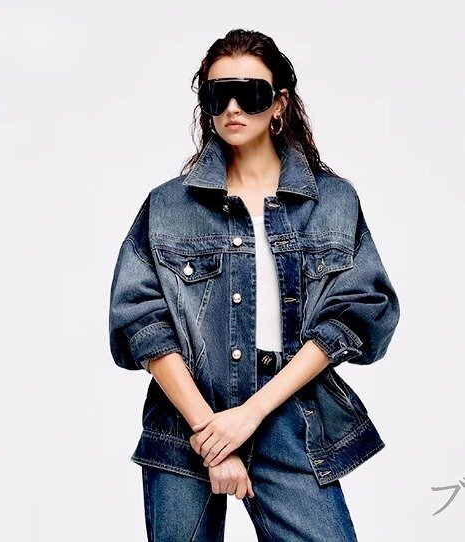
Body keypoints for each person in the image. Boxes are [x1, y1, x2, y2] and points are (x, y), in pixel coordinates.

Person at [109, 28, 400, 541]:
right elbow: (141, 323)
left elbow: (359, 313)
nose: (233, 108)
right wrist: (210, 432)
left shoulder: (332, 201)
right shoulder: (168, 206)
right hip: (185, 422)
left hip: (288, 415)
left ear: (279, 103)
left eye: (251, 93)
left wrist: (250, 414)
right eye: (218, 95)